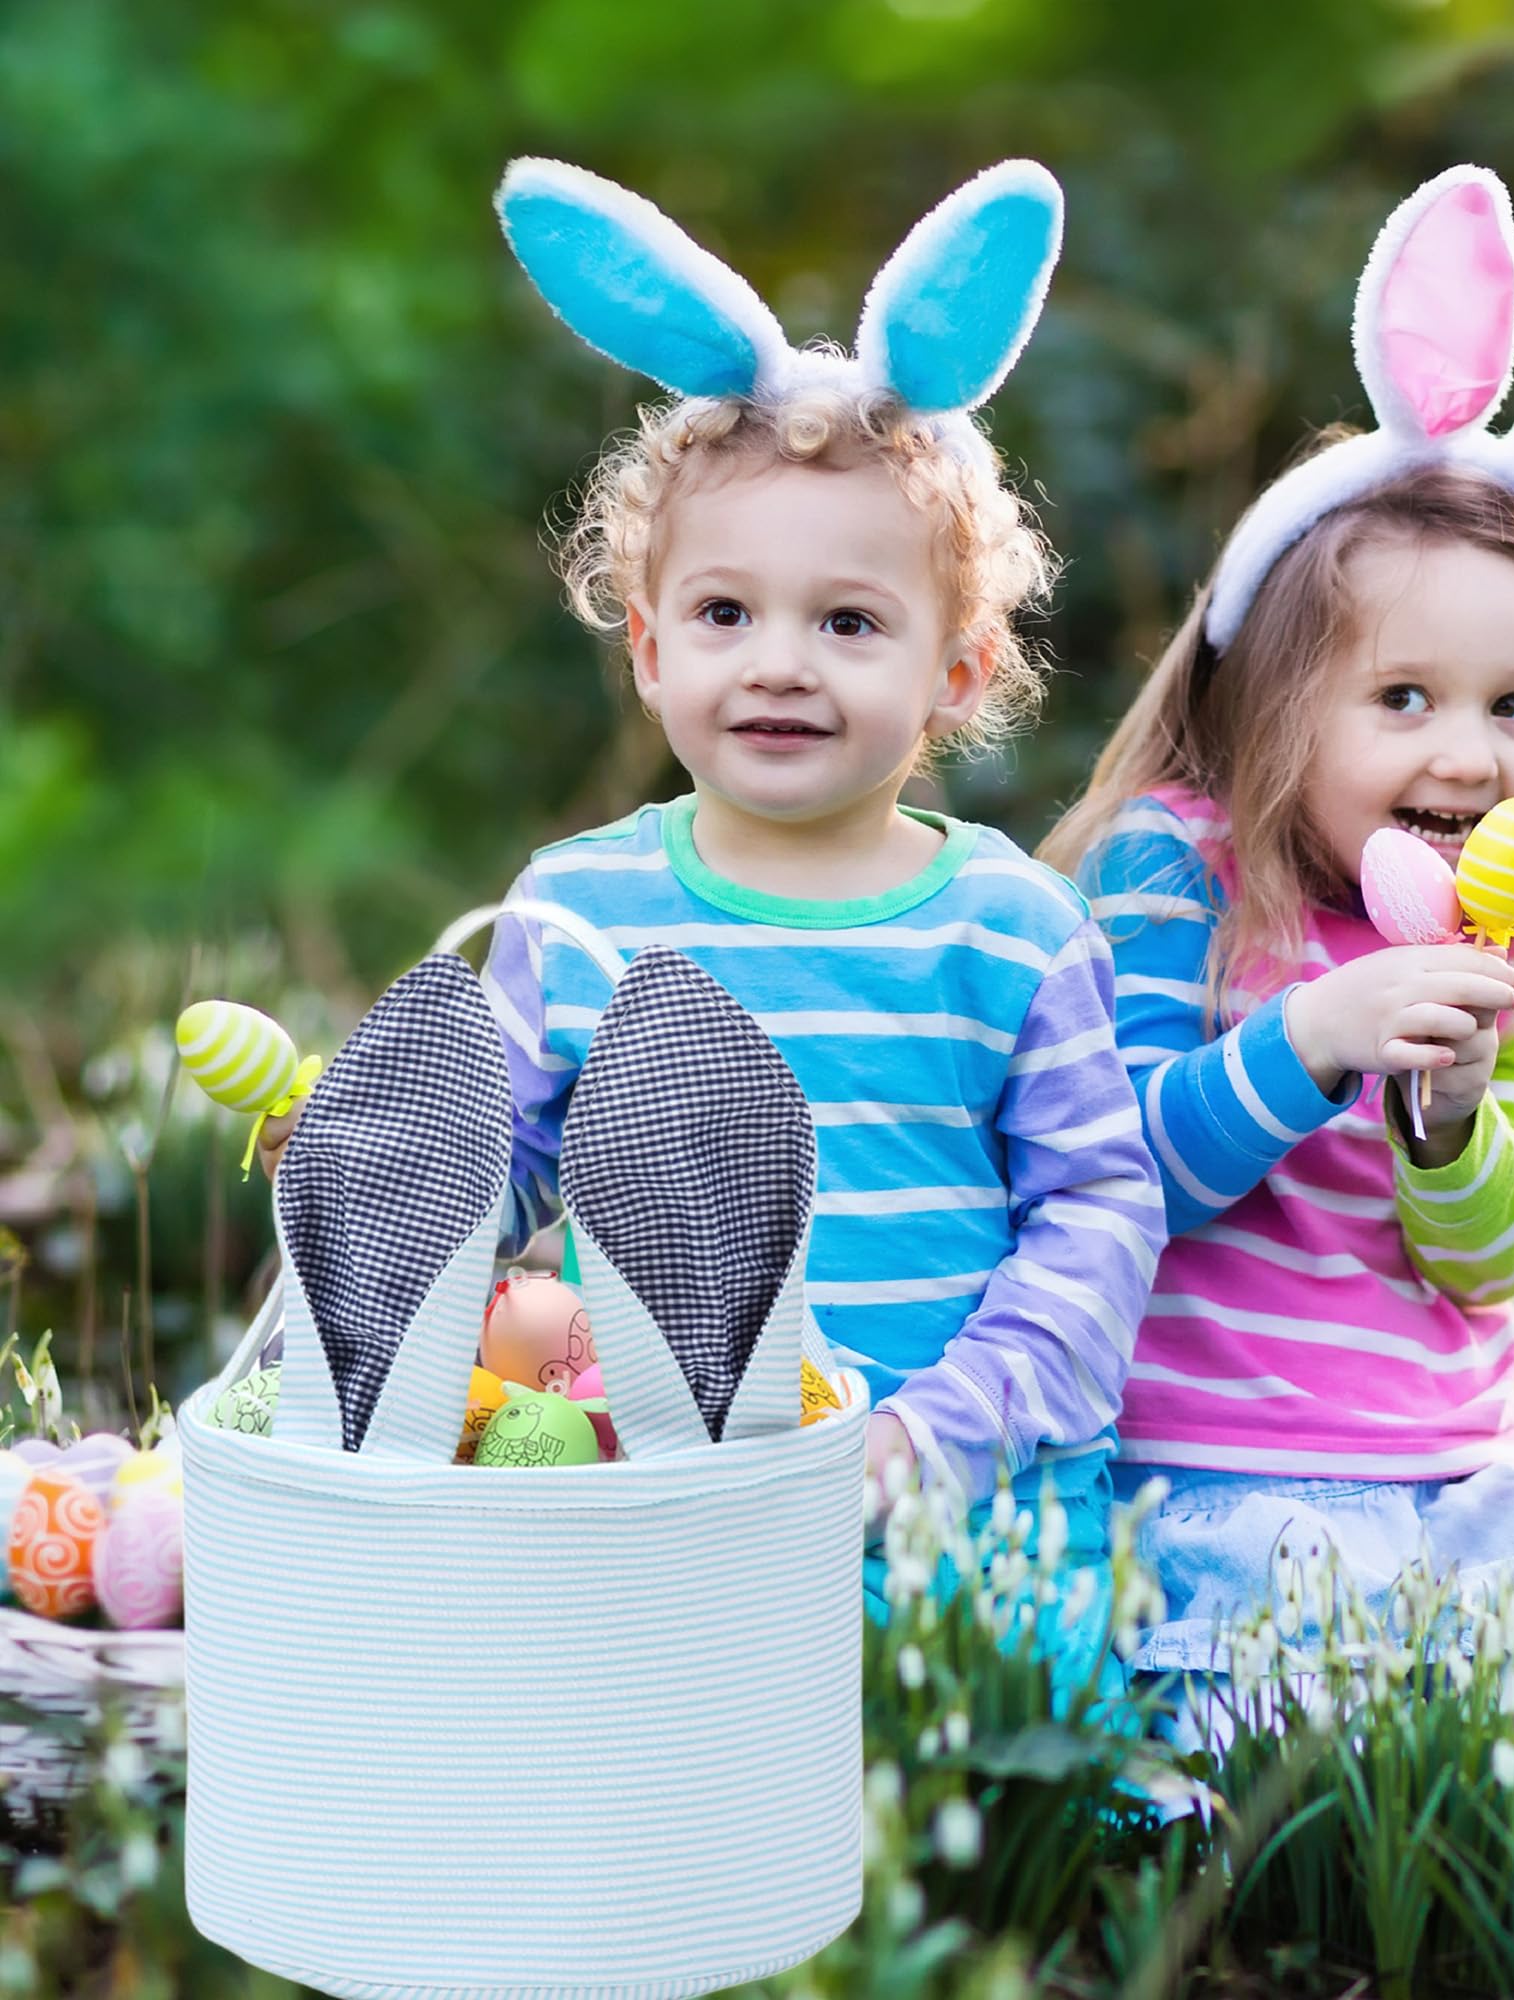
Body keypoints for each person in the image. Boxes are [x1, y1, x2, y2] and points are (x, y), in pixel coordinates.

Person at [264, 156, 1165, 1713]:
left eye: (852, 622)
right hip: (654, 1494)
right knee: (651, 1784)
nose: (782, 666)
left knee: (987, 1811)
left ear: (959, 670)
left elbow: (1100, 1219)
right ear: (648, 646)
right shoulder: (581, 906)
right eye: (727, 615)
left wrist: (935, 1436)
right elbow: (493, 1165)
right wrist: (372, 1211)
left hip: (968, 1511)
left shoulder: (1014, 927)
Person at [1040, 164, 1514, 1746]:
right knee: (1289, 1701)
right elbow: (1117, 1180)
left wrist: (1452, 1118)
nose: (1467, 754)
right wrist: (1313, 1034)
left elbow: (1497, 1256)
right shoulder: (1179, 869)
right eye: (1403, 701)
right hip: (1218, 1467)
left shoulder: (1508, 937)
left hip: (1458, 1468)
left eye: (1511, 706)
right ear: (1273, 704)